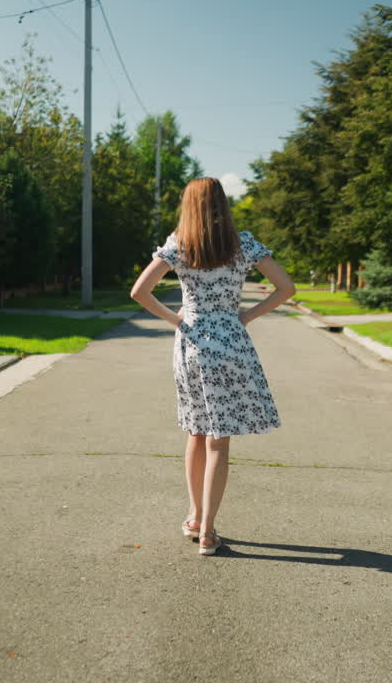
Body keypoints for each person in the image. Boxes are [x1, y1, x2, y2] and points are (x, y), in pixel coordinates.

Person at [130, 177, 295, 556]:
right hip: (232, 341)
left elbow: (139, 292)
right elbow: (286, 288)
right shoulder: (243, 243)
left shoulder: (180, 244)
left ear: (189, 205)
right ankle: (206, 530)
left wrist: (177, 319)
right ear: (223, 203)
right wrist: (246, 316)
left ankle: (196, 516)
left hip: (192, 342)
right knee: (219, 440)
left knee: (196, 432)